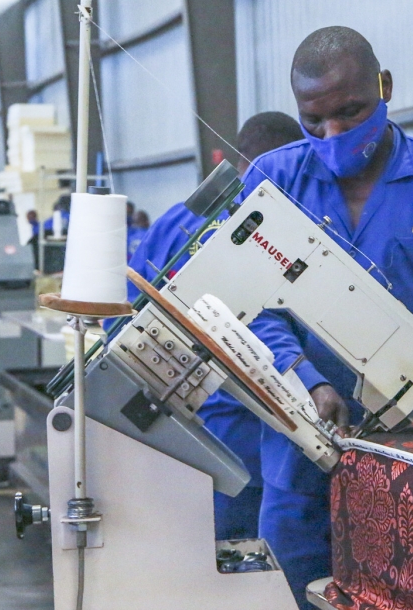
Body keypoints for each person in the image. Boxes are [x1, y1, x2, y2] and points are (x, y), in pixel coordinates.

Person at [243, 27, 413, 607]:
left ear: (385, 87)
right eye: (314, 121)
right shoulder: (274, 181)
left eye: (350, 113)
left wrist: (408, 414)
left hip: (410, 470)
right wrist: (308, 379)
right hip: (297, 465)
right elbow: (254, 308)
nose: (331, 134)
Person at [125, 112, 303, 541]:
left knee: (197, 558)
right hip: (246, 437)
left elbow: (128, 316)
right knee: (250, 563)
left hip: (174, 430)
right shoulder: (264, 228)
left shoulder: (173, 219)